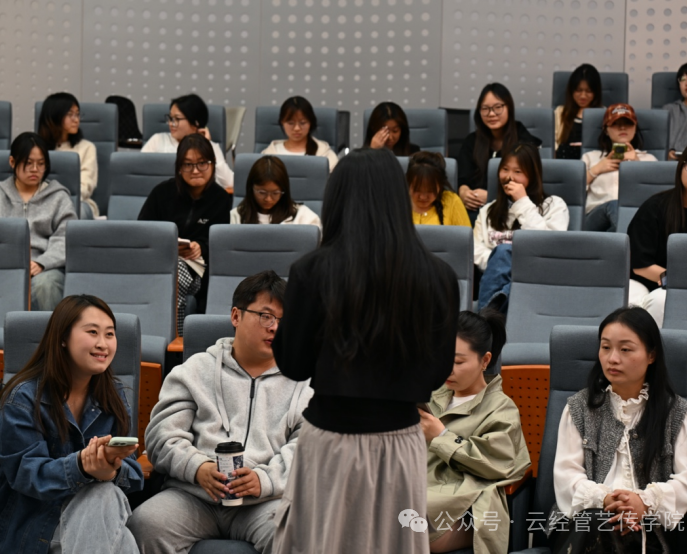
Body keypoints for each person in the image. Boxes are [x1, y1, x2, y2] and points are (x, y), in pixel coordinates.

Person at [271, 148, 460, 554]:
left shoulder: (311, 271)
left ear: (337, 199)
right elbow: (435, 375)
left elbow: (294, 364)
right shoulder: (439, 276)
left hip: (329, 442)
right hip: (401, 442)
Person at [129, 271, 312, 554]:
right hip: (194, 496)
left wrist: (263, 480)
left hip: (266, 500)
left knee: (298, 531)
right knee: (145, 524)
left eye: (283, 320)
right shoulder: (194, 371)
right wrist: (198, 468)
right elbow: (160, 438)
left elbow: (307, 447)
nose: (275, 328)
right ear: (236, 316)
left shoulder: (303, 381)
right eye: (266, 316)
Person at [0, 295, 143, 554]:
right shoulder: (22, 399)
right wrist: (83, 466)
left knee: (105, 495)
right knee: (114, 518)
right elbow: (27, 475)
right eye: (92, 332)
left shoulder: (113, 396)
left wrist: (111, 470)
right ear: (63, 338)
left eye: (110, 334)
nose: (103, 343)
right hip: (29, 534)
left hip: (90, 523)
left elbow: (135, 476)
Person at [549, 307, 687, 552]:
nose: (612, 359)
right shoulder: (579, 408)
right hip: (583, 525)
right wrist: (606, 499)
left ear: (651, 355)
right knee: (599, 522)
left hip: (648, 528)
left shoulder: (677, 414)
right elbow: (566, 477)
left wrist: (643, 502)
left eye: (625, 349)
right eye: (605, 347)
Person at [420, 309, 530, 554]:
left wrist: (441, 436)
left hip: (463, 505)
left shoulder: (501, 409)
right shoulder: (430, 396)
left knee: (396, 520)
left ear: (485, 360)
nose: (447, 369)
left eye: (458, 362)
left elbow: (495, 463)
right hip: (423, 490)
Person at [138, 133, 232, 335]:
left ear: (213, 164)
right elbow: (143, 233)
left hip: (198, 270)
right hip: (159, 261)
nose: (195, 170)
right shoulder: (161, 193)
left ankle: (173, 337)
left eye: (202, 163)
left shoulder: (222, 199)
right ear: (179, 167)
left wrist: (201, 247)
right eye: (188, 164)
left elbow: (223, 245)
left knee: (176, 273)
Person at [0, 132, 77, 311]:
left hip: (46, 268)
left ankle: (51, 330)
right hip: (3, 267)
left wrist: (42, 263)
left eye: (41, 164)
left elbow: (66, 237)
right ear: (12, 162)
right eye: (28, 163)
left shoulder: (59, 197)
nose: (35, 169)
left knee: (46, 285)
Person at [474, 142, 569, 313]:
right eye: (505, 169)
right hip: (494, 278)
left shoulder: (555, 205)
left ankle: (485, 320)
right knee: (503, 253)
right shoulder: (488, 211)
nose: (509, 177)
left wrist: (522, 202)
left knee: (505, 252)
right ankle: (491, 316)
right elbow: (476, 250)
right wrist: (502, 263)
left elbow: (548, 247)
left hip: (537, 279)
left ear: (532, 175)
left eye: (518, 172)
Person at [627, 141, 687, 327]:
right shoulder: (654, 207)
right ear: (681, 167)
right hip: (646, 282)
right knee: (656, 300)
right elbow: (640, 266)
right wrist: (677, 280)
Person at [456, 83, 541, 218]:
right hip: (475, 208)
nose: (491, 114)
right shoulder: (472, 141)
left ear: (509, 107)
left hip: (511, 209)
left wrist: (492, 196)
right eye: (485, 109)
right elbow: (462, 177)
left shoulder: (524, 142)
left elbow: (530, 184)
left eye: (498, 107)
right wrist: (463, 191)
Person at [582, 103, 658, 232]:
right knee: (615, 205)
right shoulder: (590, 157)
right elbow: (573, 192)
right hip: (595, 217)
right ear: (606, 130)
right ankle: (630, 240)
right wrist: (596, 169)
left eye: (628, 123)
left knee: (617, 227)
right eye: (616, 124)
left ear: (635, 128)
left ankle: (619, 240)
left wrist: (637, 166)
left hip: (636, 215)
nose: (622, 127)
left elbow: (656, 197)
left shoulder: (649, 159)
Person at [141, 93, 234, 189]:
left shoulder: (212, 146)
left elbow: (229, 182)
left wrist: (207, 145)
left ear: (195, 123)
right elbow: (139, 172)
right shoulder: (157, 139)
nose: (171, 123)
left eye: (177, 119)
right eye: (170, 118)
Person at [38, 92, 99, 217]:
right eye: (70, 114)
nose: (76, 120)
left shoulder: (87, 147)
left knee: (74, 212)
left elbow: (85, 186)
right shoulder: (37, 148)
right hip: (41, 202)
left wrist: (58, 202)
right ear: (55, 116)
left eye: (77, 114)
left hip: (78, 202)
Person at [230, 155, 321, 227]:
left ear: (284, 191)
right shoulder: (238, 215)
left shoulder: (303, 217)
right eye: (262, 193)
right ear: (251, 189)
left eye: (275, 193)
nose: (268, 199)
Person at [261, 96, 338, 171]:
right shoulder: (270, 153)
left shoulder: (324, 154)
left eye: (302, 123)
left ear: (310, 123)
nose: (297, 128)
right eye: (291, 123)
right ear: (282, 123)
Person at [406, 151, 470, 227]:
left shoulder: (452, 201)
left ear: (440, 185)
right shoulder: (397, 203)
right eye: (417, 190)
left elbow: (465, 234)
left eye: (430, 191)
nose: (423, 197)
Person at [555, 64, 603, 160]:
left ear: (596, 92)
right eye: (578, 90)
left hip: (594, 163)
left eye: (588, 91)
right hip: (565, 163)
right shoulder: (560, 112)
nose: (583, 96)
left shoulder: (603, 113)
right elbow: (553, 146)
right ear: (571, 90)